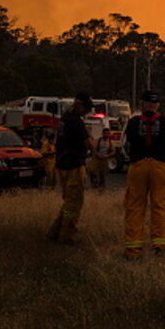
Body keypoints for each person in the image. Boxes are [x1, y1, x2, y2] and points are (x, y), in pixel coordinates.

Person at [122, 90, 165, 258]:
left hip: (138, 165)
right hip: (160, 166)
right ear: (157, 105)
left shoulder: (133, 122)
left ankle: (133, 249)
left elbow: (126, 144)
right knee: (160, 205)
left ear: (142, 104)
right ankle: (161, 246)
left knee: (135, 206)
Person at [46, 93, 93, 245]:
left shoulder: (64, 119)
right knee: (74, 203)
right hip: (74, 165)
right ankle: (67, 236)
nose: (87, 112)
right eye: (86, 109)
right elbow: (87, 143)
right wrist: (97, 153)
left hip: (61, 164)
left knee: (68, 202)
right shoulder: (76, 122)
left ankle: (55, 231)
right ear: (80, 106)